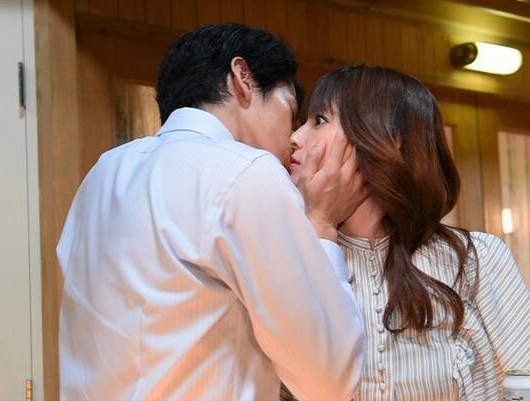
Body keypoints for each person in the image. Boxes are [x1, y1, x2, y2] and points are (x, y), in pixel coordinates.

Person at [56, 24, 368, 401]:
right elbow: (328, 381)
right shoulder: (246, 171)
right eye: (290, 109)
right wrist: (320, 225)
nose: (293, 138)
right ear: (243, 78)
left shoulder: (103, 172)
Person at [286, 65, 530, 400]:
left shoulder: (478, 258)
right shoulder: (284, 256)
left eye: (319, 120)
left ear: (387, 139)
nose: (295, 137)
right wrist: (319, 225)